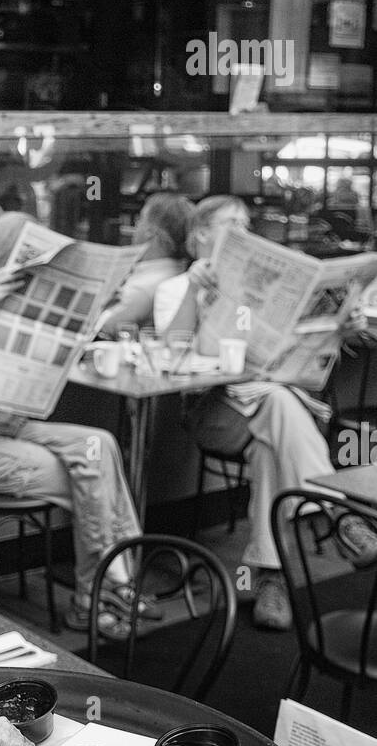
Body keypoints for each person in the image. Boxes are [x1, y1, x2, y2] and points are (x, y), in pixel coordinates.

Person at [154, 195, 377, 630]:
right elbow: (170, 354)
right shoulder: (175, 287)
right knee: (277, 405)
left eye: (245, 224)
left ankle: (272, 579)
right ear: (200, 235)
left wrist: (340, 329)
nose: (242, 232)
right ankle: (340, 515)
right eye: (229, 224)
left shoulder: (266, 288)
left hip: (276, 414)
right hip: (215, 413)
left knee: (270, 444)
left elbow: (306, 353)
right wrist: (196, 292)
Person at [0, 211, 143, 634]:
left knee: (97, 446)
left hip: (11, 428)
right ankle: (104, 589)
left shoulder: (17, 300)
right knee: (94, 480)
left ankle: (109, 584)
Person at [96, 192, 195, 336]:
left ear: (150, 231)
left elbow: (102, 325)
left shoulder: (145, 288)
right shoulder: (176, 271)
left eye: (141, 218)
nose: (137, 225)